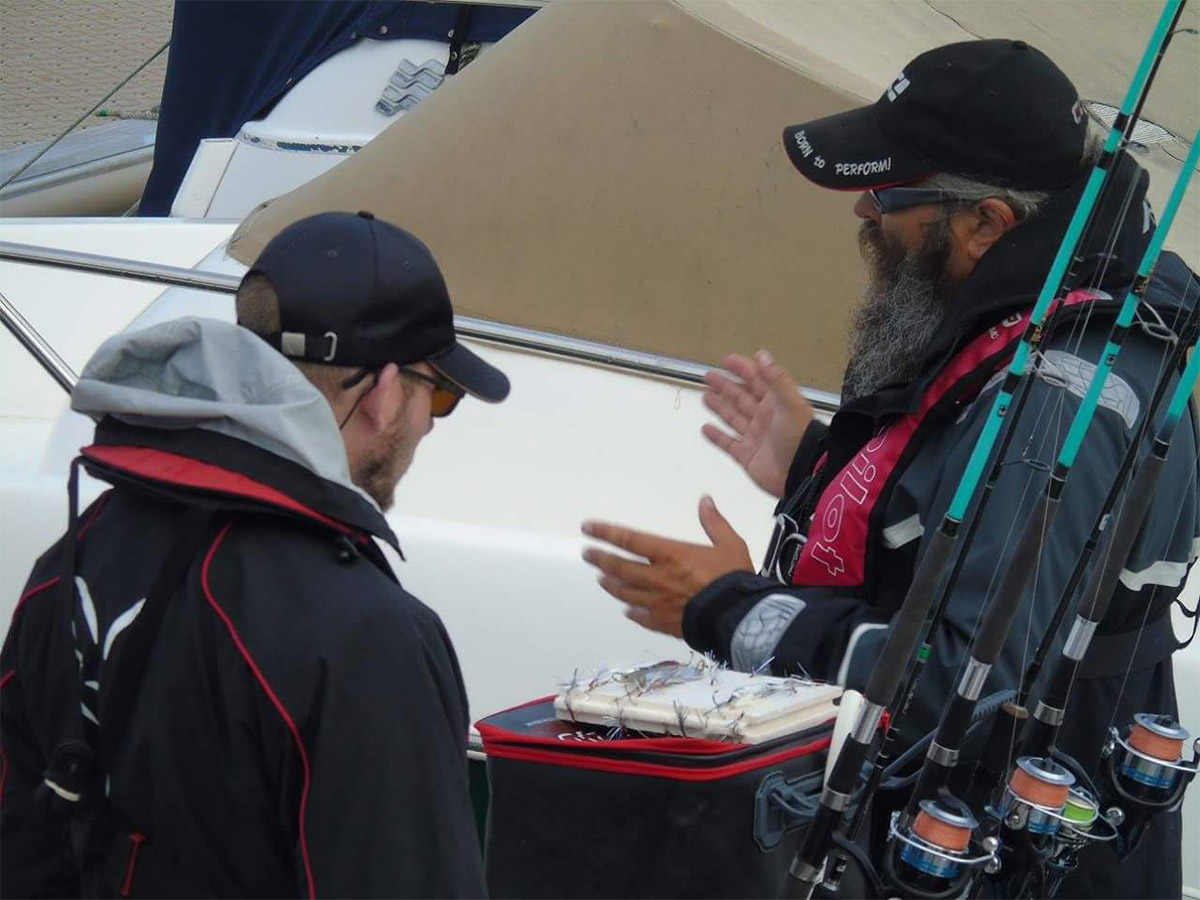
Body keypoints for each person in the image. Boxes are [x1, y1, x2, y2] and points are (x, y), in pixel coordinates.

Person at [582, 40, 1198, 898]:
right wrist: (817, 464)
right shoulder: (1044, 314)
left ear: (988, 223)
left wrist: (731, 608)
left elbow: (960, 685)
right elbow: (961, 530)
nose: (865, 213)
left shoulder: (1064, 402)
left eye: (889, 193)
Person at [1, 211, 508, 898]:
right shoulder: (367, 639)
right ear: (386, 395)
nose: (429, 423)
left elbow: (24, 847)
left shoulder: (72, 559)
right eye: (438, 393)